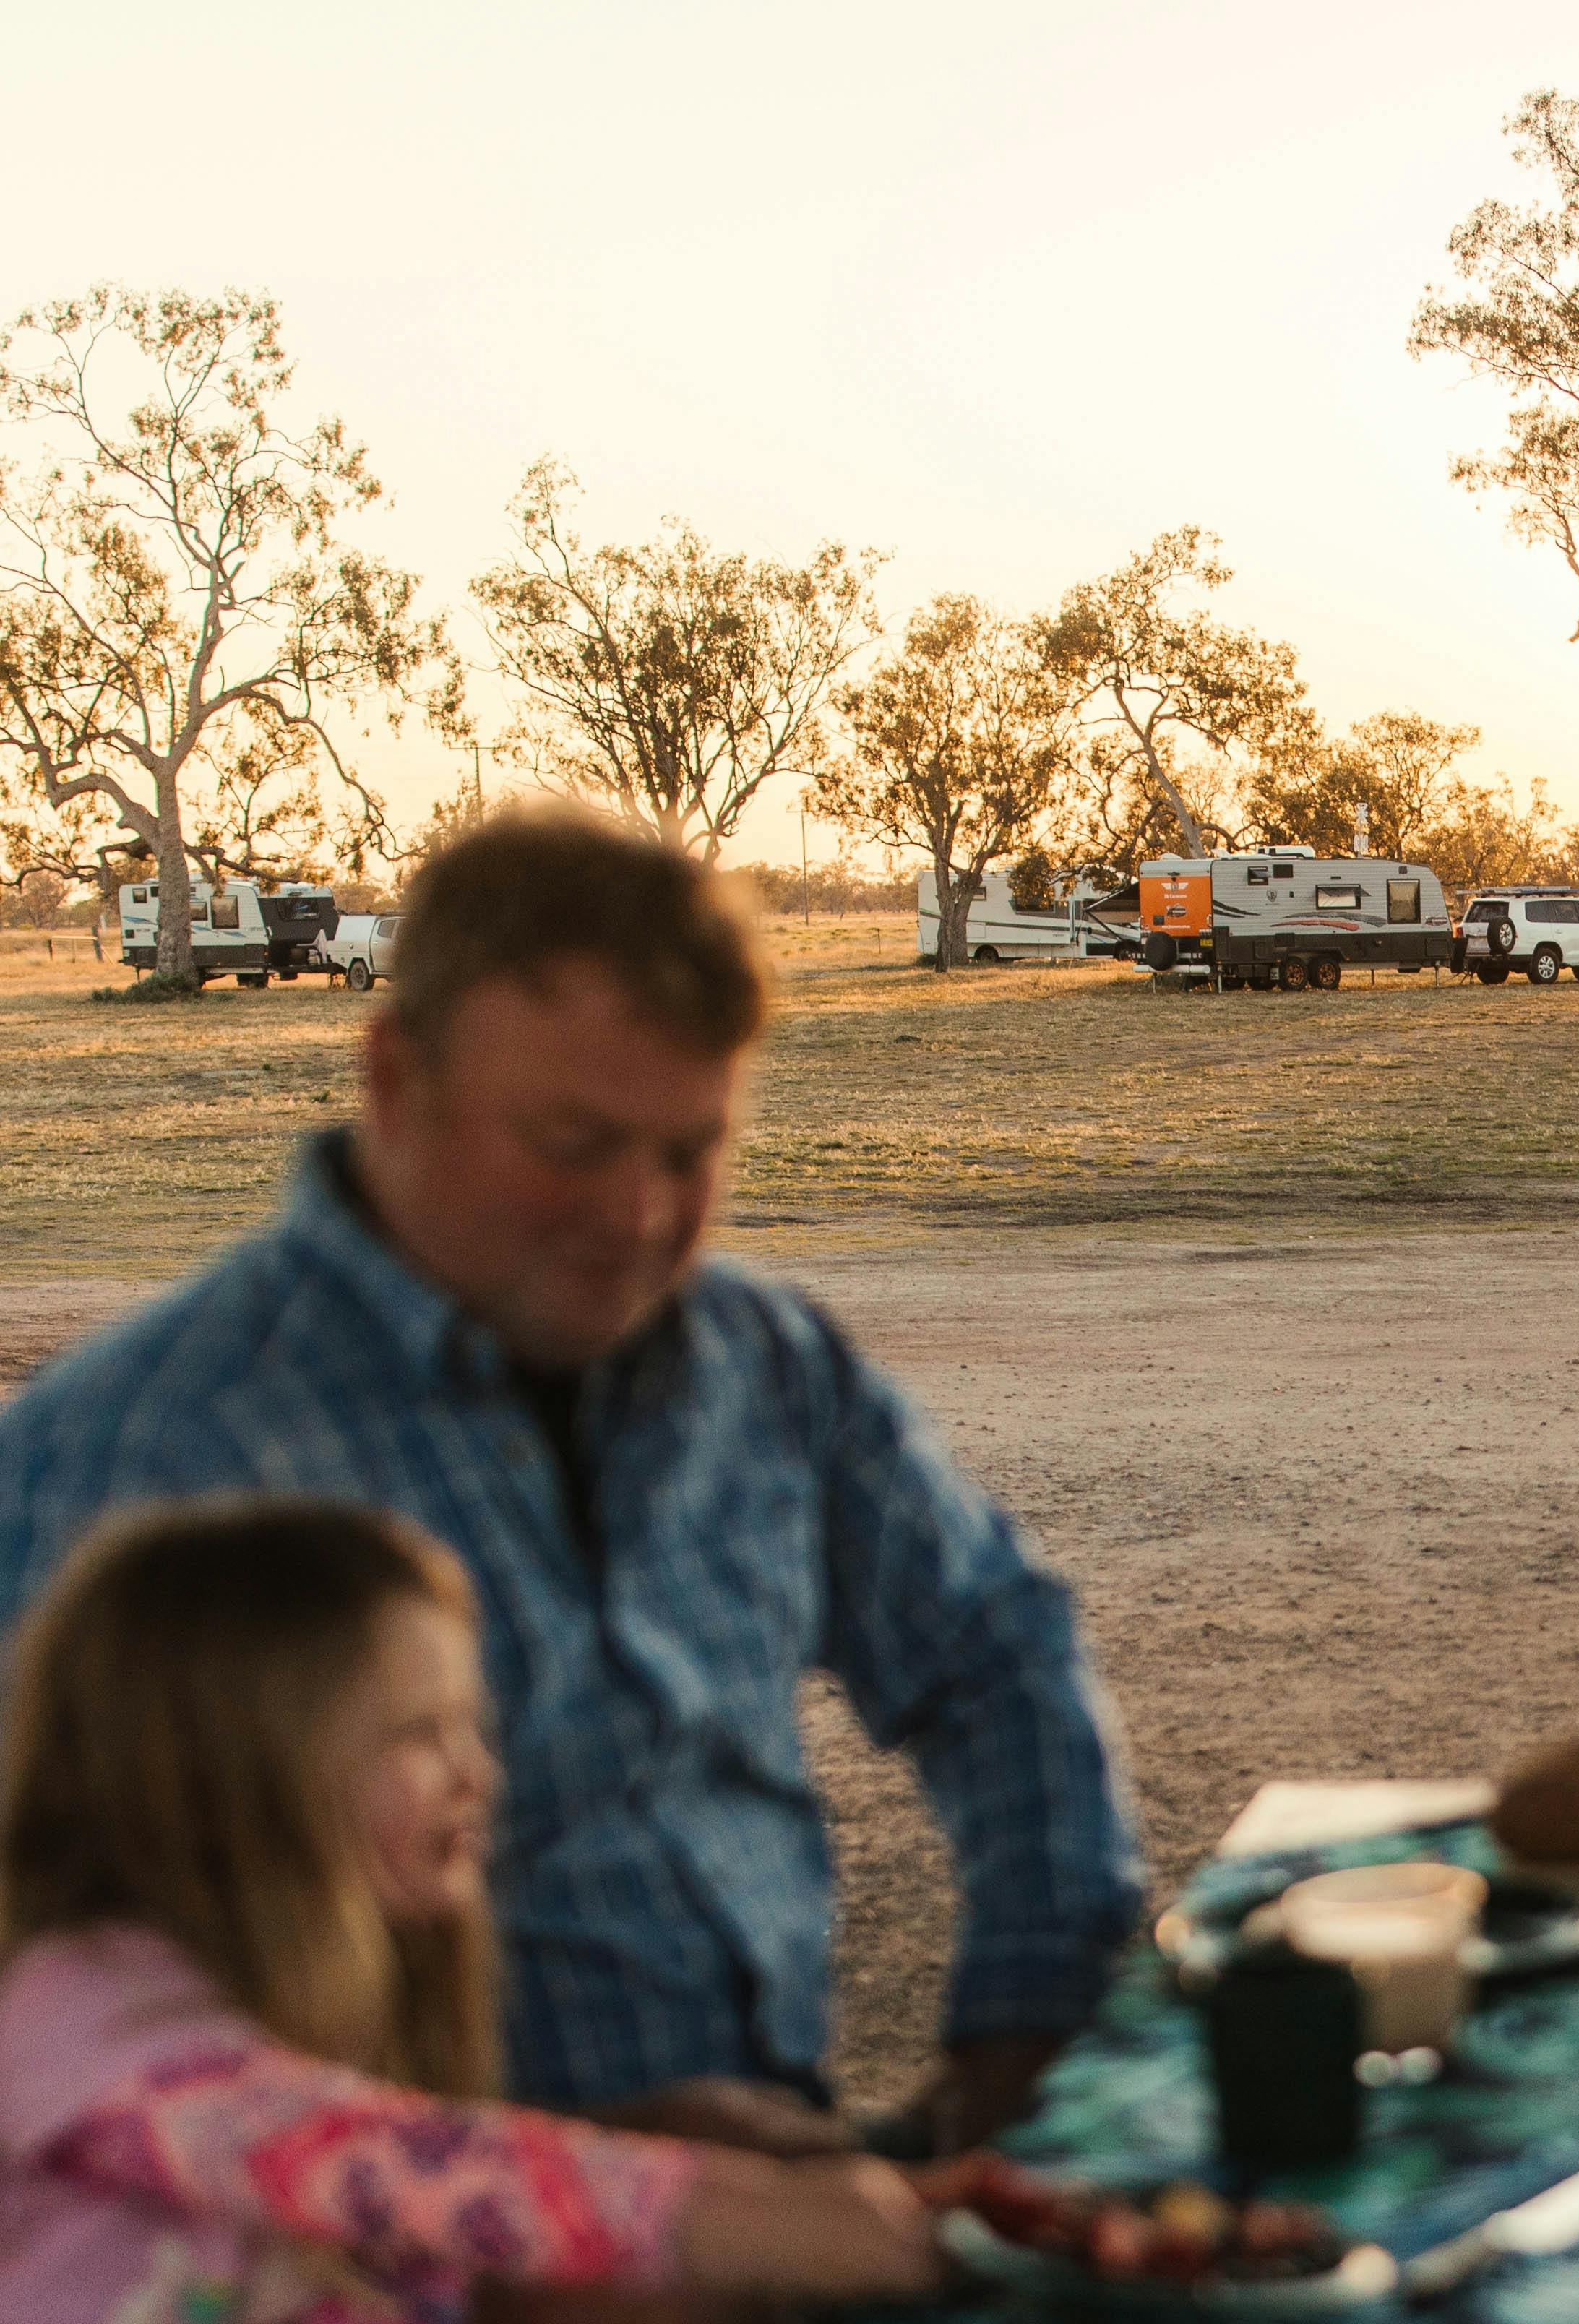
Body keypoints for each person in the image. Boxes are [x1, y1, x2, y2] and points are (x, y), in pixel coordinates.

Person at [0, 809, 1144, 2154]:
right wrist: (544, 2179)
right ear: (394, 1081)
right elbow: (63, 2024)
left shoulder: (763, 1368)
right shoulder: (136, 1464)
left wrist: (1026, 2032)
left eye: (687, 1150)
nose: (638, 1218)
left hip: (776, 2198)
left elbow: (993, 1649)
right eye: (572, 1143)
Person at [0, 1496, 945, 2322]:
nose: (477, 1775)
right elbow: (360, 2160)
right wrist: (727, 2215)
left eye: (469, 1726)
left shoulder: (274, 1990)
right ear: (227, 1774)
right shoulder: (77, 2005)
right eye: (419, 1734)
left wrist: (691, 2146)